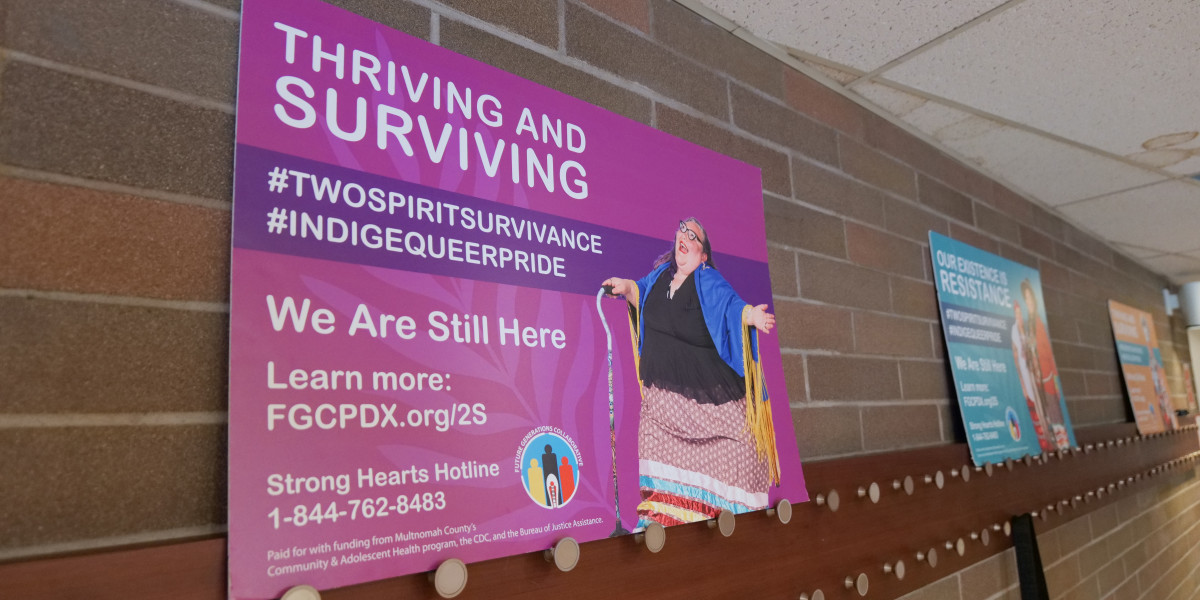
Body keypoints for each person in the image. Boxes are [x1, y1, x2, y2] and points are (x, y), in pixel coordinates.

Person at [603, 218, 779, 529]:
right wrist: (627, 286)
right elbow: (640, 295)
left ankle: (733, 532)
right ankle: (663, 530)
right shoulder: (659, 277)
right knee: (661, 491)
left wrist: (751, 316)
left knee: (740, 463)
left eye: (694, 235)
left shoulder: (708, 281)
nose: (685, 235)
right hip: (663, 410)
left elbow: (731, 306)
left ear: (703, 256)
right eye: (683, 229)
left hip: (714, 411)